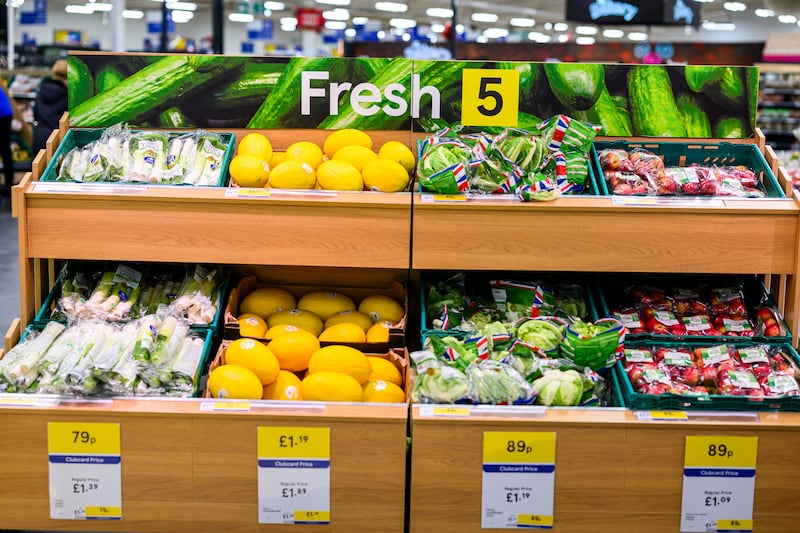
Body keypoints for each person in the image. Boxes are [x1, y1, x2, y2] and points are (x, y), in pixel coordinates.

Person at [32, 59, 68, 157]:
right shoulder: (67, 95)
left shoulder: (41, 90)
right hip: (56, 140)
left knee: (38, 171)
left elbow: (35, 114)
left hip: (38, 138)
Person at [0, 85, 14, 196]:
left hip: (2, 114)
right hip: (6, 112)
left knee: (5, 149)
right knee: (5, 149)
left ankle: (8, 184)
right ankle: (9, 184)